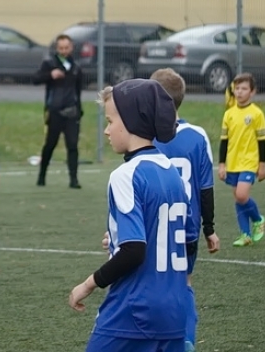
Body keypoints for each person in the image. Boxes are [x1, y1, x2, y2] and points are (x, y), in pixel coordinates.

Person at [69, 79, 188, 352]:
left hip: (134, 309)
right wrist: (116, 237)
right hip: (174, 308)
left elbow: (134, 250)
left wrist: (88, 284)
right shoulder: (172, 172)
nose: (107, 131)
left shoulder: (126, 174)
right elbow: (182, 239)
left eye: (111, 121)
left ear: (131, 120)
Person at [150, 68, 218, 352]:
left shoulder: (144, 136)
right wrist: (210, 229)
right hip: (187, 228)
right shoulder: (197, 136)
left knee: (152, 285)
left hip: (153, 229)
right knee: (184, 284)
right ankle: (186, 339)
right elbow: (205, 188)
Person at [218, 72, 265, 247]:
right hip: (232, 163)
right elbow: (224, 141)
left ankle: (258, 219)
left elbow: (262, 142)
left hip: (249, 162)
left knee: (241, 194)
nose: (239, 92)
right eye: (237, 88)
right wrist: (222, 164)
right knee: (238, 198)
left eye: (244, 88)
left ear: (252, 92)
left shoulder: (256, 114)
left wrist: (262, 166)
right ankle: (245, 234)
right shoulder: (229, 114)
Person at [32, 34, 84, 189]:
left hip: (72, 112)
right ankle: (42, 176)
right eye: (61, 48)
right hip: (54, 111)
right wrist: (50, 75)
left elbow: (78, 90)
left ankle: (73, 179)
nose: (64, 51)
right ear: (57, 48)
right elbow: (35, 79)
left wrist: (79, 110)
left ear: (71, 48)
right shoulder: (49, 64)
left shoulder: (76, 67)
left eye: (66, 48)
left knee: (72, 145)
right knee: (50, 144)